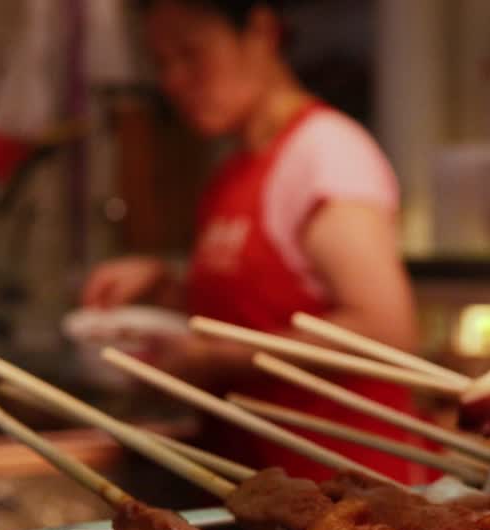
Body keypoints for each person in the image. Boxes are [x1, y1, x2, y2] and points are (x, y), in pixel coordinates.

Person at [82, 0, 428, 483]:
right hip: (258, 485)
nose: (174, 81)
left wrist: (210, 359)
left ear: (261, 32)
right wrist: (166, 288)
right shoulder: (234, 170)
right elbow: (258, 311)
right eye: (161, 63)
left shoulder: (325, 152)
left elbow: (384, 328)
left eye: (191, 54)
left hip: (344, 493)